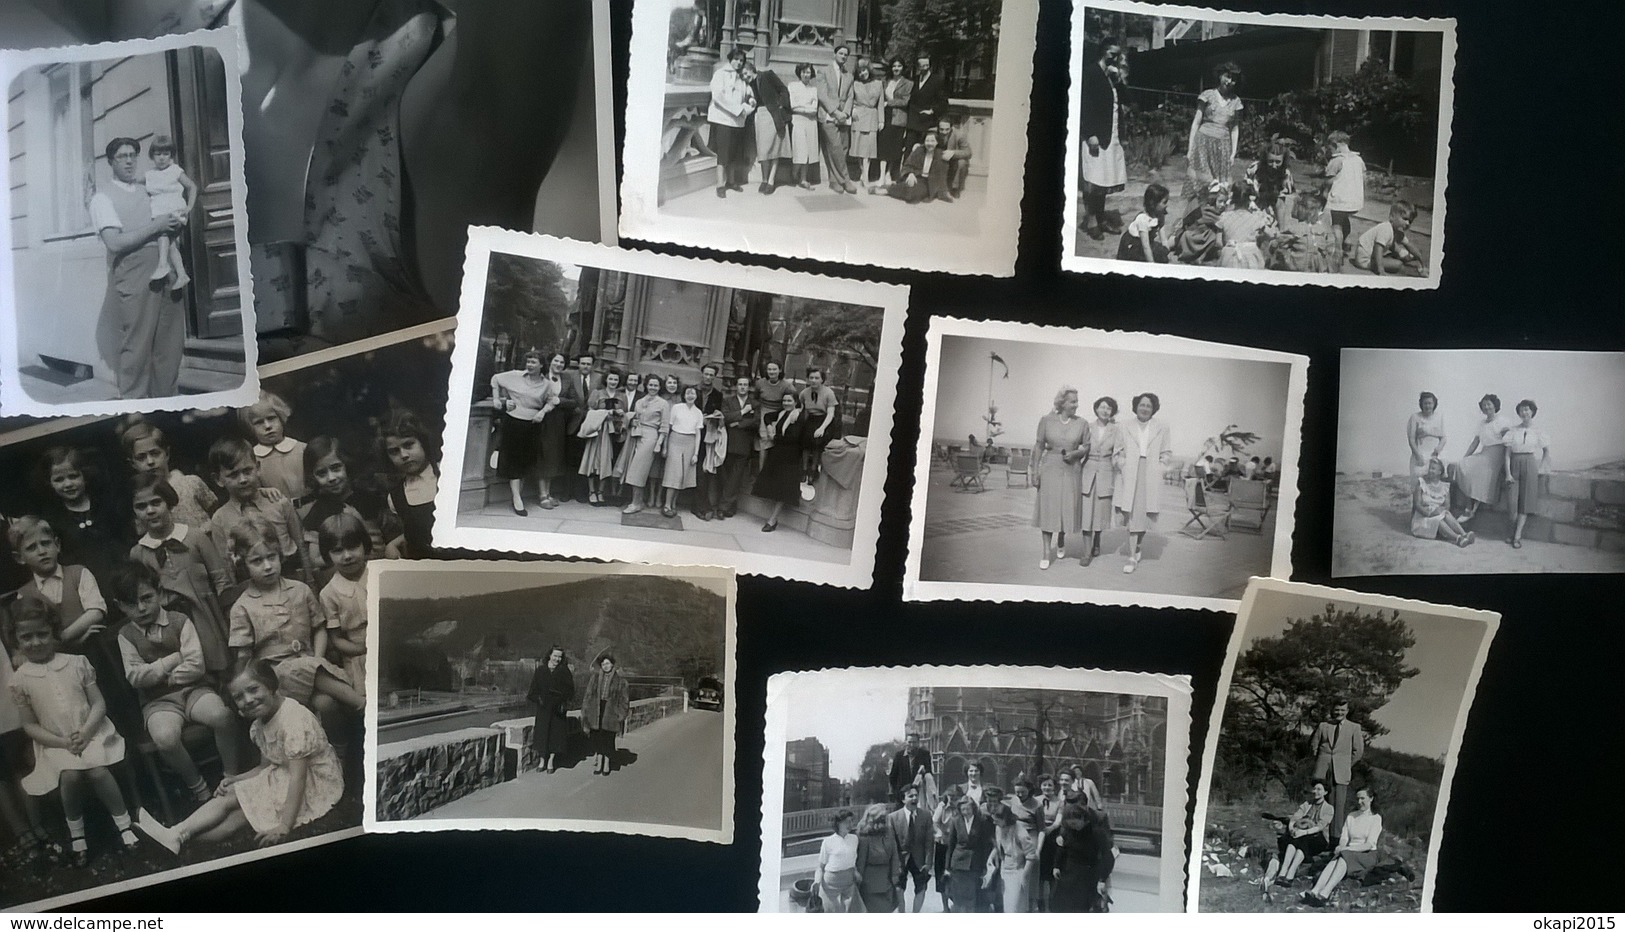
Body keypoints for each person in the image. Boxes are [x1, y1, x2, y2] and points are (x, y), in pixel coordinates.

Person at [140, 661, 343, 854]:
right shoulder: (261, 723)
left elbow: (299, 778)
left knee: (241, 814)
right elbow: (266, 766)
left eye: (253, 689)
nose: (248, 700)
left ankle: (176, 836)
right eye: (238, 697)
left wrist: (284, 826)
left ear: (271, 685)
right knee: (234, 795)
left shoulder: (293, 720)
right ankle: (175, 839)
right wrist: (237, 779)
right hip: (283, 774)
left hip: (312, 782)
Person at [6, 596, 138, 867]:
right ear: (16, 640)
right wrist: (62, 741)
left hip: (92, 732)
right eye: (27, 637)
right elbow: (29, 725)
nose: (36, 642)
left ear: (54, 633)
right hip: (55, 744)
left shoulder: (76, 662)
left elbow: (99, 703)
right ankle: (78, 837)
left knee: (98, 771)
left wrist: (87, 732)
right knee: (70, 776)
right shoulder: (20, 679)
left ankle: (124, 825)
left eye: (42, 634)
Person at [109, 561, 241, 805]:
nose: (141, 607)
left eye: (147, 598)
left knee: (222, 715)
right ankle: (198, 787)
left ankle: (231, 777)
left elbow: (196, 664)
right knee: (165, 738)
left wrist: (164, 676)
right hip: (157, 702)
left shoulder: (179, 621)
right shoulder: (126, 636)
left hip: (194, 689)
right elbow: (135, 677)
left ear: (159, 592)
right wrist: (172, 659)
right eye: (131, 603)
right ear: (120, 606)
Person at [226, 516, 364, 719]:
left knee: (326, 704)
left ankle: (338, 748)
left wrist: (317, 658)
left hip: (311, 668)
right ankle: (362, 705)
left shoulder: (300, 590)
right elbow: (244, 657)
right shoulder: (242, 607)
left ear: (280, 555)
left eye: (271, 557)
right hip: (275, 678)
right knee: (303, 667)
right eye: (257, 561)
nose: (267, 566)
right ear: (243, 565)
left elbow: (318, 628)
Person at [87, 138, 186, 399]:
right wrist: (158, 227)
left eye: (133, 155)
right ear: (111, 162)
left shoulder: (148, 188)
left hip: (167, 274)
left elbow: (172, 213)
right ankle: (135, 408)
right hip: (134, 277)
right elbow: (115, 242)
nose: (129, 161)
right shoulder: (102, 198)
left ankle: (167, 404)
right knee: (137, 346)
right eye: (122, 156)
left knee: (170, 345)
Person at [128, 475, 233, 675]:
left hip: (207, 615)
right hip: (170, 625)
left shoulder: (195, 537)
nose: (150, 511)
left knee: (221, 666)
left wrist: (227, 618)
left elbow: (221, 579)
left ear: (170, 503)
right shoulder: (138, 553)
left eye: (156, 503)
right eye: (141, 507)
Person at [300, 437, 406, 560]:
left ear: (347, 465)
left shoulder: (370, 500)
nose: (331, 478)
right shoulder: (317, 513)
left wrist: (359, 522)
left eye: (336, 468)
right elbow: (316, 559)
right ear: (313, 477)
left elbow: (382, 549)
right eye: (322, 473)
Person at [120, 421, 219, 535]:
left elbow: (217, 514)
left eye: (155, 453)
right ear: (133, 463)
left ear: (166, 453)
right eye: (141, 457)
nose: (150, 461)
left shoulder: (191, 483)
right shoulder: (140, 499)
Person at [1113, 393, 1172, 574]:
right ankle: (1132, 557)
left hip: (1150, 473)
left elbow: (1167, 452)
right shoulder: (1124, 426)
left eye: (1148, 405)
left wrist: (1159, 469)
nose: (1145, 408)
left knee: (1144, 513)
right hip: (1130, 472)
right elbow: (1118, 451)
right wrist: (1123, 466)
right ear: (1135, 406)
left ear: (1154, 408)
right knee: (1131, 513)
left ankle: (1137, 546)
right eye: (1141, 405)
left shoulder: (1162, 427)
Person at [315, 513, 371, 698]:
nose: (347, 556)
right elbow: (337, 639)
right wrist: (366, 649)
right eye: (338, 551)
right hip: (358, 657)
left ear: (364, 544)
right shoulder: (329, 594)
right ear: (327, 555)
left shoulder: (381, 573)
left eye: (353, 547)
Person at [1077, 40, 1128, 240]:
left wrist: (1118, 80)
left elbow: (1126, 100)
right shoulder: (1091, 72)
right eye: (1111, 54)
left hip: (1111, 135)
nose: (1114, 58)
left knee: (1104, 180)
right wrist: (1090, 133)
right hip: (1096, 136)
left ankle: (1101, 217)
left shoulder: (1111, 76)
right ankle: (1091, 220)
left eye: (1117, 55)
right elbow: (1085, 104)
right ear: (1103, 52)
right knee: (1093, 179)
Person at [1033, 387, 1088, 570]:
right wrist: (1035, 471)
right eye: (1073, 401)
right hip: (1050, 468)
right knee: (1049, 509)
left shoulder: (1082, 423)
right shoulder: (1046, 421)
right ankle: (1046, 553)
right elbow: (1039, 446)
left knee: (1066, 508)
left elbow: (1086, 447)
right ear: (1062, 402)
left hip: (1072, 469)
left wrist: (1075, 454)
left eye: (1076, 401)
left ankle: (1062, 538)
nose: (1076, 405)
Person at [1303, 787, 1383, 907]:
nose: (1359, 801)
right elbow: (1345, 837)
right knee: (1339, 856)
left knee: (1343, 855)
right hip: (1349, 852)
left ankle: (1325, 892)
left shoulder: (1376, 818)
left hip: (1367, 854)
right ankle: (1315, 891)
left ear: (1371, 799)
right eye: (1357, 798)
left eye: (1363, 798)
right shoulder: (1351, 816)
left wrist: (1346, 849)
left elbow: (1369, 844)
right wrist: (1341, 846)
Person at [378, 409, 441, 559]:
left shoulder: (447, 476)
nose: (404, 455)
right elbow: (417, 532)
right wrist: (392, 544)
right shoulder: (396, 497)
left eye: (409, 445)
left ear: (423, 442)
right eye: (394, 451)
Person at [1259, 778, 1334, 901]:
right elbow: (1294, 818)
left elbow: (1320, 827)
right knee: (1295, 838)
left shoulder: (1329, 808)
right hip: (1301, 836)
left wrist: (1303, 832)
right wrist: (1291, 828)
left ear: (1325, 792)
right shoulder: (1307, 804)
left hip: (1318, 839)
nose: (1316, 792)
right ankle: (1283, 872)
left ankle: (1291, 871)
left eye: (1319, 789)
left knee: (1302, 839)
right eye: (1314, 789)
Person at [1185, 62, 1245, 202]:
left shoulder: (1236, 101)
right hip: (1203, 142)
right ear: (1220, 75)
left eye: (1234, 79)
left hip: (1223, 146)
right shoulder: (1208, 95)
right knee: (1202, 183)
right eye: (1227, 77)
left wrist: (1233, 153)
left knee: (1220, 185)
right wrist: (1190, 149)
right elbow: (1196, 122)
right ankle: (1198, 216)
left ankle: (1216, 216)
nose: (1230, 82)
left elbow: (1235, 128)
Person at [143, 134, 196, 290]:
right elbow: (137, 184)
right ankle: (182, 274)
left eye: (166, 154)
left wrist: (189, 207)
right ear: (152, 156)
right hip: (160, 214)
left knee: (163, 234)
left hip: (174, 212)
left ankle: (162, 264)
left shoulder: (175, 171)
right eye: (158, 154)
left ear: (171, 155)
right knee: (171, 243)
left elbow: (192, 187)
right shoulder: (150, 175)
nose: (162, 158)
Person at [752, 391, 807, 532]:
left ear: (796, 402)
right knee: (775, 486)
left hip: (790, 456)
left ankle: (772, 519)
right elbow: (768, 416)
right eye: (784, 401)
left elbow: (794, 437)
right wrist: (770, 427)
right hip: (778, 453)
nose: (786, 403)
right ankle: (772, 517)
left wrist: (774, 438)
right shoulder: (783, 413)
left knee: (783, 488)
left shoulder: (798, 416)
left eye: (789, 401)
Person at [240, 391, 308, 504]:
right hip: (278, 515)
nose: (267, 426)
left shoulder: (302, 449)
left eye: (271, 418)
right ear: (250, 427)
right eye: (258, 422)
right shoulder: (251, 459)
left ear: (281, 418)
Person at [618, 374, 671, 517]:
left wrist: (659, 444)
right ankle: (638, 501)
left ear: (660, 387)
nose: (653, 388)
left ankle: (636, 503)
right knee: (634, 468)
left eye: (656, 385)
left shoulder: (663, 404)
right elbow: (635, 417)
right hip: (636, 435)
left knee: (638, 469)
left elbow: (665, 426)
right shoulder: (640, 401)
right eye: (651, 385)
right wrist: (633, 421)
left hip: (651, 437)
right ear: (646, 385)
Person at [1311, 699, 1365, 838]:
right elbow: (1314, 746)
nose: (1339, 712)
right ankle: (1316, 836)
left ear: (1347, 711)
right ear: (1332, 710)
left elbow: (1358, 752)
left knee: (1337, 807)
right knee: (1319, 804)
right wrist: (1322, 761)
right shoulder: (1323, 726)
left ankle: (1335, 839)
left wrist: (1345, 765)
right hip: (1322, 771)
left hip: (1341, 773)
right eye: (1337, 710)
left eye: (1342, 710)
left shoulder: (1354, 728)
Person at [707, 47, 756, 198]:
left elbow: (748, 94)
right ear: (730, 59)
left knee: (734, 153)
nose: (739, 62)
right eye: (736, 59)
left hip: (737, 122)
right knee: (723, 154)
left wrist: (751, 101)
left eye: (741, 60)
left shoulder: (741, 78)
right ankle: (720, 184)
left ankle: (731, 181)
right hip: (723, 119)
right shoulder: (720, 74)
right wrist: (737, 110)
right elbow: (718, 96)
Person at [1503, 399, 1551, 549]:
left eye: (1527, 410)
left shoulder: (1538, 431)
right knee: (1512, 504)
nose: (1524, 413)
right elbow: (1507, 455)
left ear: (1532, 412)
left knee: (1525, 503)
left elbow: (1546, 451)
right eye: (1522, 410)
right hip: (1515, 464)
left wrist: (1542, 468)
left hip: (1530, 464)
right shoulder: (1512, 431)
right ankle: (1513, 532)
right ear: (1519, 412)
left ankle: (1517, 536)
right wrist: (1508, 473)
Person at [1077, 397, 1119, 567]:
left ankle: (1097, 539)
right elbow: (1079, 448)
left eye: (1109, 408)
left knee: (1100, 514)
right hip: (1088, 471)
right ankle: (1087, 552)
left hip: (1106, 472)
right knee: (1087, 514)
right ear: (1096, 409)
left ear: (1112, 411)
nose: (1105, 411)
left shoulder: (1116, 430)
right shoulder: (1087, 427)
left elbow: (1119, 452)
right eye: (1102, 407)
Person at [1456, 394, 1509, 522]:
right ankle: (1470, 506)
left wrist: (1508, 460)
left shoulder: (1502, 421)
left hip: (1497, 454)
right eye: (1484, 405)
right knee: (1463, 465)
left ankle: (1470, 509)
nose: (1486, 407)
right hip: (1485, 453)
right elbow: (1475, 442)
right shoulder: (1481, 423)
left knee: (1477, 471)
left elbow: (1508, 441)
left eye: (1489, 404)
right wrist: (1465, 457)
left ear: (1495, 405)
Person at [580, 370, 628, 506]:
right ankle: (592, 491)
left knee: (607, 461)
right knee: (593, 460)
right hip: (599, 430)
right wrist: (607, 413)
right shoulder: (597, 393)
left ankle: (601, 491)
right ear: (606, 380)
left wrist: (620, 415)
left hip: (613, 432)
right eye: (611, 379)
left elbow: (625, 414)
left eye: (616, 380)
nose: (613, 382)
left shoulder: (622, 396)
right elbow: (590, 412)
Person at [816, 45, 858, 194]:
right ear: (834, 54)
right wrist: (835, 112)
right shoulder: (824, 71)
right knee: (835, 147)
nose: (843, 56)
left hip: (843, 117)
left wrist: (845, 113)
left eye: (846, 54)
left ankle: (834, 181)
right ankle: (846, 180)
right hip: (828, 115)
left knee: (844, 147)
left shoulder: (849, 75)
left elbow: (851, 96)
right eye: (840, 53)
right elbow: (822, 94)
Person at [717, 376, 761, 519]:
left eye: (745, 385)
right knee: (727, 476)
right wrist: (742, 413)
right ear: (736, 386)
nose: (742, 387)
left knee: (736, 477)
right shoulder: (728, 400)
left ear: (749, 387)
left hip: (744, 445)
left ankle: (722, 507)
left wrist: (739, 424)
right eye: (740, 384)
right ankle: (731, 505)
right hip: (729, 444)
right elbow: (725, 417)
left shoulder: (754, 403)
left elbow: (756, 422)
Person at [942, 793, 994, 912]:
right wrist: (947, 867)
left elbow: (985, 845)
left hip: (975, 863)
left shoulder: (981, 821)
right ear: (960, 810)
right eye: (963, 809)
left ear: (973, 808)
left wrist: (985, 865)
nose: (966, 811)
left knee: (972, 897)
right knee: (958, 897)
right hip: (958, 863)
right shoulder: (956, 821)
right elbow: (951, 845)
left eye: (968, 808)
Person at [744, 61, 791, 193]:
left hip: (774, 115)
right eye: (742, 75)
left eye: (746, 73)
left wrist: (781, 106)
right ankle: (764, 179)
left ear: (751, 69)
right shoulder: (747, 85)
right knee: (763, 150)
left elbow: (783, 89)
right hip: (760, 116)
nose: (745, 76)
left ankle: (771, 181)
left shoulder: (767, 75)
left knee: (776, 149)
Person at [1269, 189, 1342, 273]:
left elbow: (1329, 242)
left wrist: (1330, 254)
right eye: (1311, 209)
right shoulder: (1295, 228)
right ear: (1303, 210)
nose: (1315, 213)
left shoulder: (1322, 227)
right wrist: (1287, 259)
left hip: (1318, 267)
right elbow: (1280, 243)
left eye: (1317, 210)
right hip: (1299, 267)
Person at [526, 646, 573, 775]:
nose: (557, 659)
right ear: (549, 656)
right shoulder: (540, 671)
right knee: (542, 735)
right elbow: (532, 692)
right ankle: (542, 760)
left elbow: (571, 691)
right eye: (555, 656)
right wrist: (539, 699)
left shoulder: (564, 671)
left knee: (555, 736)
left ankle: (551, 761)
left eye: (560, 657)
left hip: (558, 710)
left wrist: (564, 702)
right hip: (543, 709)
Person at [579, 653, 628, 776]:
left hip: (611, 711)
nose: (605, 666)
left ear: (612, 664)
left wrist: (621, 714)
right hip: (596, 710)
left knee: (608, 738)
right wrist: (585, 710)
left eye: (607, 663)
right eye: (603, 664)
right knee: (597, 737)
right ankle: (599, 761)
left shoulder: (620, 680)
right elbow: (588, 695)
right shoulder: (595, 678)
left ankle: (607, 762)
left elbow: (624, 699)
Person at [889, 784, 935, 912]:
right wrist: (895, 863)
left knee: (921, 888)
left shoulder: (925, 816)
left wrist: (928, 862)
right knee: (898, 888)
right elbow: (892, 843)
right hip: (901, 859)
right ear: (903, 799)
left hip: (919, 859)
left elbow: (929, 842)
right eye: (911, 796)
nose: (914, 798)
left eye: (916, 795)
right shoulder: (893, 818)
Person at [661, 385, 705, 519]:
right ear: (684, 395)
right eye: (688, 393)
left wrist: (696, 453)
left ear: (697, 396)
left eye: (693, 394)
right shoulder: (676, 408)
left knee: (682, 476)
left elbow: (698, 434)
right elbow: (668, 428)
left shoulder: (698, 413)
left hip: (690, 443)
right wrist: (665, 446)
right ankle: (667, 505)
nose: (690, 396)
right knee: (673, 474)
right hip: (675, 440)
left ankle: (674, 503)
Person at [1412, 458, 1475, 547]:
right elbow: (1417, 504)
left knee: (1446, 514)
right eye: (1430, 468)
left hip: (1437, 514)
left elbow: (1447, 505)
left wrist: (1439, 511)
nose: (1430, 471)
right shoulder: (1422, 483)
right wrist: (1430, 513)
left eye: (1433, 469)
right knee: (1439, 520)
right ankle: (1458, 538)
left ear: (1439, 472)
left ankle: (1464, 534)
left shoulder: (1444, 487)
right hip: (1423, 518)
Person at [988, 802, 1038, 913]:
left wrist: (1024, 875)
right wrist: (990, 858)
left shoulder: (1020, 831)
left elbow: (1031, 855)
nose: (994, 822)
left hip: (1018, 871)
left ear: (1005, 818)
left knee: (1016, 907)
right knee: (1008, 906)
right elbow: (998, 846)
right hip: (1005, 869)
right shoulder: (998, 828)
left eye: (996, 820)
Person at [1353, 201, 1426, 277]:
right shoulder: (1386, 229)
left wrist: (1421, 260)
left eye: (1410, 221)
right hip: (1365, 260)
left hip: (1373, 256)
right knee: (1398, 264)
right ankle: (1416, 272)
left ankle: (1410, 260)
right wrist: (1381, 270)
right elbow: (1377, 249)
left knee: (1398, 252)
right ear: (1392, 216)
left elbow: (1409, 245)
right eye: (1405, 219)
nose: (1407, 223)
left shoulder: (1397, 232)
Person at [559, 353, 595, 504]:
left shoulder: (598, 379)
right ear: (578, 364)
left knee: (585, 459)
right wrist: (572, 407)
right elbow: (562, 396)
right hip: (573, 423)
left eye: (588, 364)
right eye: (583, 363)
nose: (586, 366)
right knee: (569, 459)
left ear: (592, 366)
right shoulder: (570, 376)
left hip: (591, 425)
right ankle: (566, 492)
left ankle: (581, 493)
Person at [693, 364, 727, 521]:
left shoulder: (717, 395)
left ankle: (700, 506)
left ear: (715, 377)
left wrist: (717, 416)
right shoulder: (693, 390)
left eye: (711, 375)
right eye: (706, 374)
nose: (708, 377)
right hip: (690, 433)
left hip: (707, 436)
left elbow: (718, 413)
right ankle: (698, 505)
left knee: (703, 470)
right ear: (702, 374)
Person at [1324, 130, 1366, 255]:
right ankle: (1347, 241)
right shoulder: (1358, 159)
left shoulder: (1337, 160)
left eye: (1330, 149)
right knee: (1344, 218)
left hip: (1340, 199)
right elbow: (1363, 177)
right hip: (1354, 199)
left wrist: (1325, 190)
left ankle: (1338, 250)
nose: (1330, 152)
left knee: (1336, 224)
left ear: (1336, 145)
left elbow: (1329, 180)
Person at [854, 802, 901, 912]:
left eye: (884, 819)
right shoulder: (864, 836)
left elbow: (894, 854)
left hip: (887, 879)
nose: (883, 822)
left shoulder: (889, 831)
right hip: (871, 883)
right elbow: (861, 861)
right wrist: (858, 882)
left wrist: (895, 874)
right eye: (880, 819)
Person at [882, 131, 954, 203]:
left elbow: (942, 176)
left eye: (932, 141)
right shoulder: (919, 150)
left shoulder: (940, 155)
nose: (929, 143)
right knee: (909, 186)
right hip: (917, 177)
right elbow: (907, 165)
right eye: (927, 141)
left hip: (929, 182)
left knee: (913, 195)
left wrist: (944, 192)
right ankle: (887, 190)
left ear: (937, 142)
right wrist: (910, 174)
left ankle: (890, 189)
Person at [1217, 181, 1275, 269]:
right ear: (1249, 200)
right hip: (1250, 257)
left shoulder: (1224, 217)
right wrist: (1260, 238)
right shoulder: (1256, 218)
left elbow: (1218, 243)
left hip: (1229, 257)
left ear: (1232, 199)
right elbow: (1271, 235)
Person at [815, 809, 864, 912]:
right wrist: (817, 881)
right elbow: (821, 866)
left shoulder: (854, 839)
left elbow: (852, 860)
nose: (850, 824)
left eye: (851, 821)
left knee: (853, 911)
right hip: (830, 884)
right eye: (846, 822)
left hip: (848, 882)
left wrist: (855, 872)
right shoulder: (828, 842)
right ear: (838, 823)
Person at [798, 368, 839, 486]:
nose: (814, 380)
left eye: (817, 378)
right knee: (805, 442)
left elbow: (831, 413)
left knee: (817, 444)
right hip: (810, 419)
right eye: (811, 378)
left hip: (824, 420)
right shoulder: (804, 392)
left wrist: (822, 428)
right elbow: (801, 407)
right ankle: (804, 470)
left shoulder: (828, 393)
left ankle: (813, 470)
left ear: (822, 380)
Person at [1175, 179, 1228, 265]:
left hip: (1202, 236)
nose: (1223, 205)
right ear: (1213, 200)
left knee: (1214, 233)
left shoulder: (1216, 211)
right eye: (1220, 201)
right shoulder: (1208, 211)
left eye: (1225, 202)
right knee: (1214, 234)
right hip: (1196, 236)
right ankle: (1199, 256)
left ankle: (1202, 256)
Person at [849, 59, 884, 187]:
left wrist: (881, 120)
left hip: (872, 118)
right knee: (859, 149)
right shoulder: (855, 84)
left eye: (864, 70)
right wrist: (852, 110)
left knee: (868, 150)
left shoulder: (878, 84)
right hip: (859, 117)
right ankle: (863, 173)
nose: (862, 73)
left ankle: (866, 176)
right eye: (859, 71)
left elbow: (880, 104)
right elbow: (850, 99)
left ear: (869, 70)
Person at [1116, 183, 1172, 263]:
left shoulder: (1160, 214)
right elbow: (1146, 247)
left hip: (1146, 240)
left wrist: (1167, 253)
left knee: (1162, 254)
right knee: (1141, 260)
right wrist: (1151, 265)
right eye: (1164, 202)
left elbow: (1163, 238)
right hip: (1134, 243)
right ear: (1153, 204)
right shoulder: (1143, 219)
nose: (1167, 205)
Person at [906, 53, 948, 157]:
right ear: (918, 66)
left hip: (927, 122)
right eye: (922, 66)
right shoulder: (914, 80)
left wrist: (931, 111)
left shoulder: (937, 80)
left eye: (927, 65)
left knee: (924, 150)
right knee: (909, 149)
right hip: (913, 121)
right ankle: (907, 172)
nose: (925, 68)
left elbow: (943, 102)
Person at [787, 64, 822, 190]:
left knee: (808, 152)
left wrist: (802, 108)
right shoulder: (792, 86)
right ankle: (794, 173)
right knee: (800, 150)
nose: (806, 75)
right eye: (803, 72)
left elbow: (814, 108)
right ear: (799, 73)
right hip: (798, 121)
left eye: (808, 72)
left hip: (811, 122)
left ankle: (803, 179)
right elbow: (793, 105)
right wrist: (806, 108)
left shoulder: (814, 89)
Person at [879, 59, 913, 185]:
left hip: (898, 118)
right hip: (885, 117)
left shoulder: (908, 84)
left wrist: (889, 102)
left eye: (899, 66)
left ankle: (888, 173)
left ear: (903, 68)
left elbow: (905, 101)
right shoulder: (885, 81)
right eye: (894, 66)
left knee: (894, 148)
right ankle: (881, 175)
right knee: (883, 146)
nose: (896, 68)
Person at [1245, 140, 1295, 223]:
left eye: (1278, 162)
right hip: (1254, 204)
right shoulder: (1253, 169)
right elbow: (1245, 191)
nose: (1274, 165)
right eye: (1271, 161)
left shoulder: (1286, 174)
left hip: (1275, 207)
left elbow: (1281, 203)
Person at [1407, 392, 1447, 477]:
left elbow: (1443, 437)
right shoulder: (1415, 417)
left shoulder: (1440, 417)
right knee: (1420, 479)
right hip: (1420, 453)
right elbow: (1411, 439)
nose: (1427, 406)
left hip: (1436, 453)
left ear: (1434, 404)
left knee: (1438, 478)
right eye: (1425, 403)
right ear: (1421, 404)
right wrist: (1418, 455)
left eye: (1430, 403)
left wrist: (1438, 449)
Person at [935, 116, 975, 198]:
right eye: (941, 129)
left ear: (951, 128)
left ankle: (954, 188)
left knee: (962, 162)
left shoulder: (959, 135)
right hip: (937, 157)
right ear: (938, 128)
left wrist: (953, 153)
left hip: (952, 159)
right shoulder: (933, 133)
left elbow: (968, 152)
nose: (944, 132)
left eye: (947, 129)